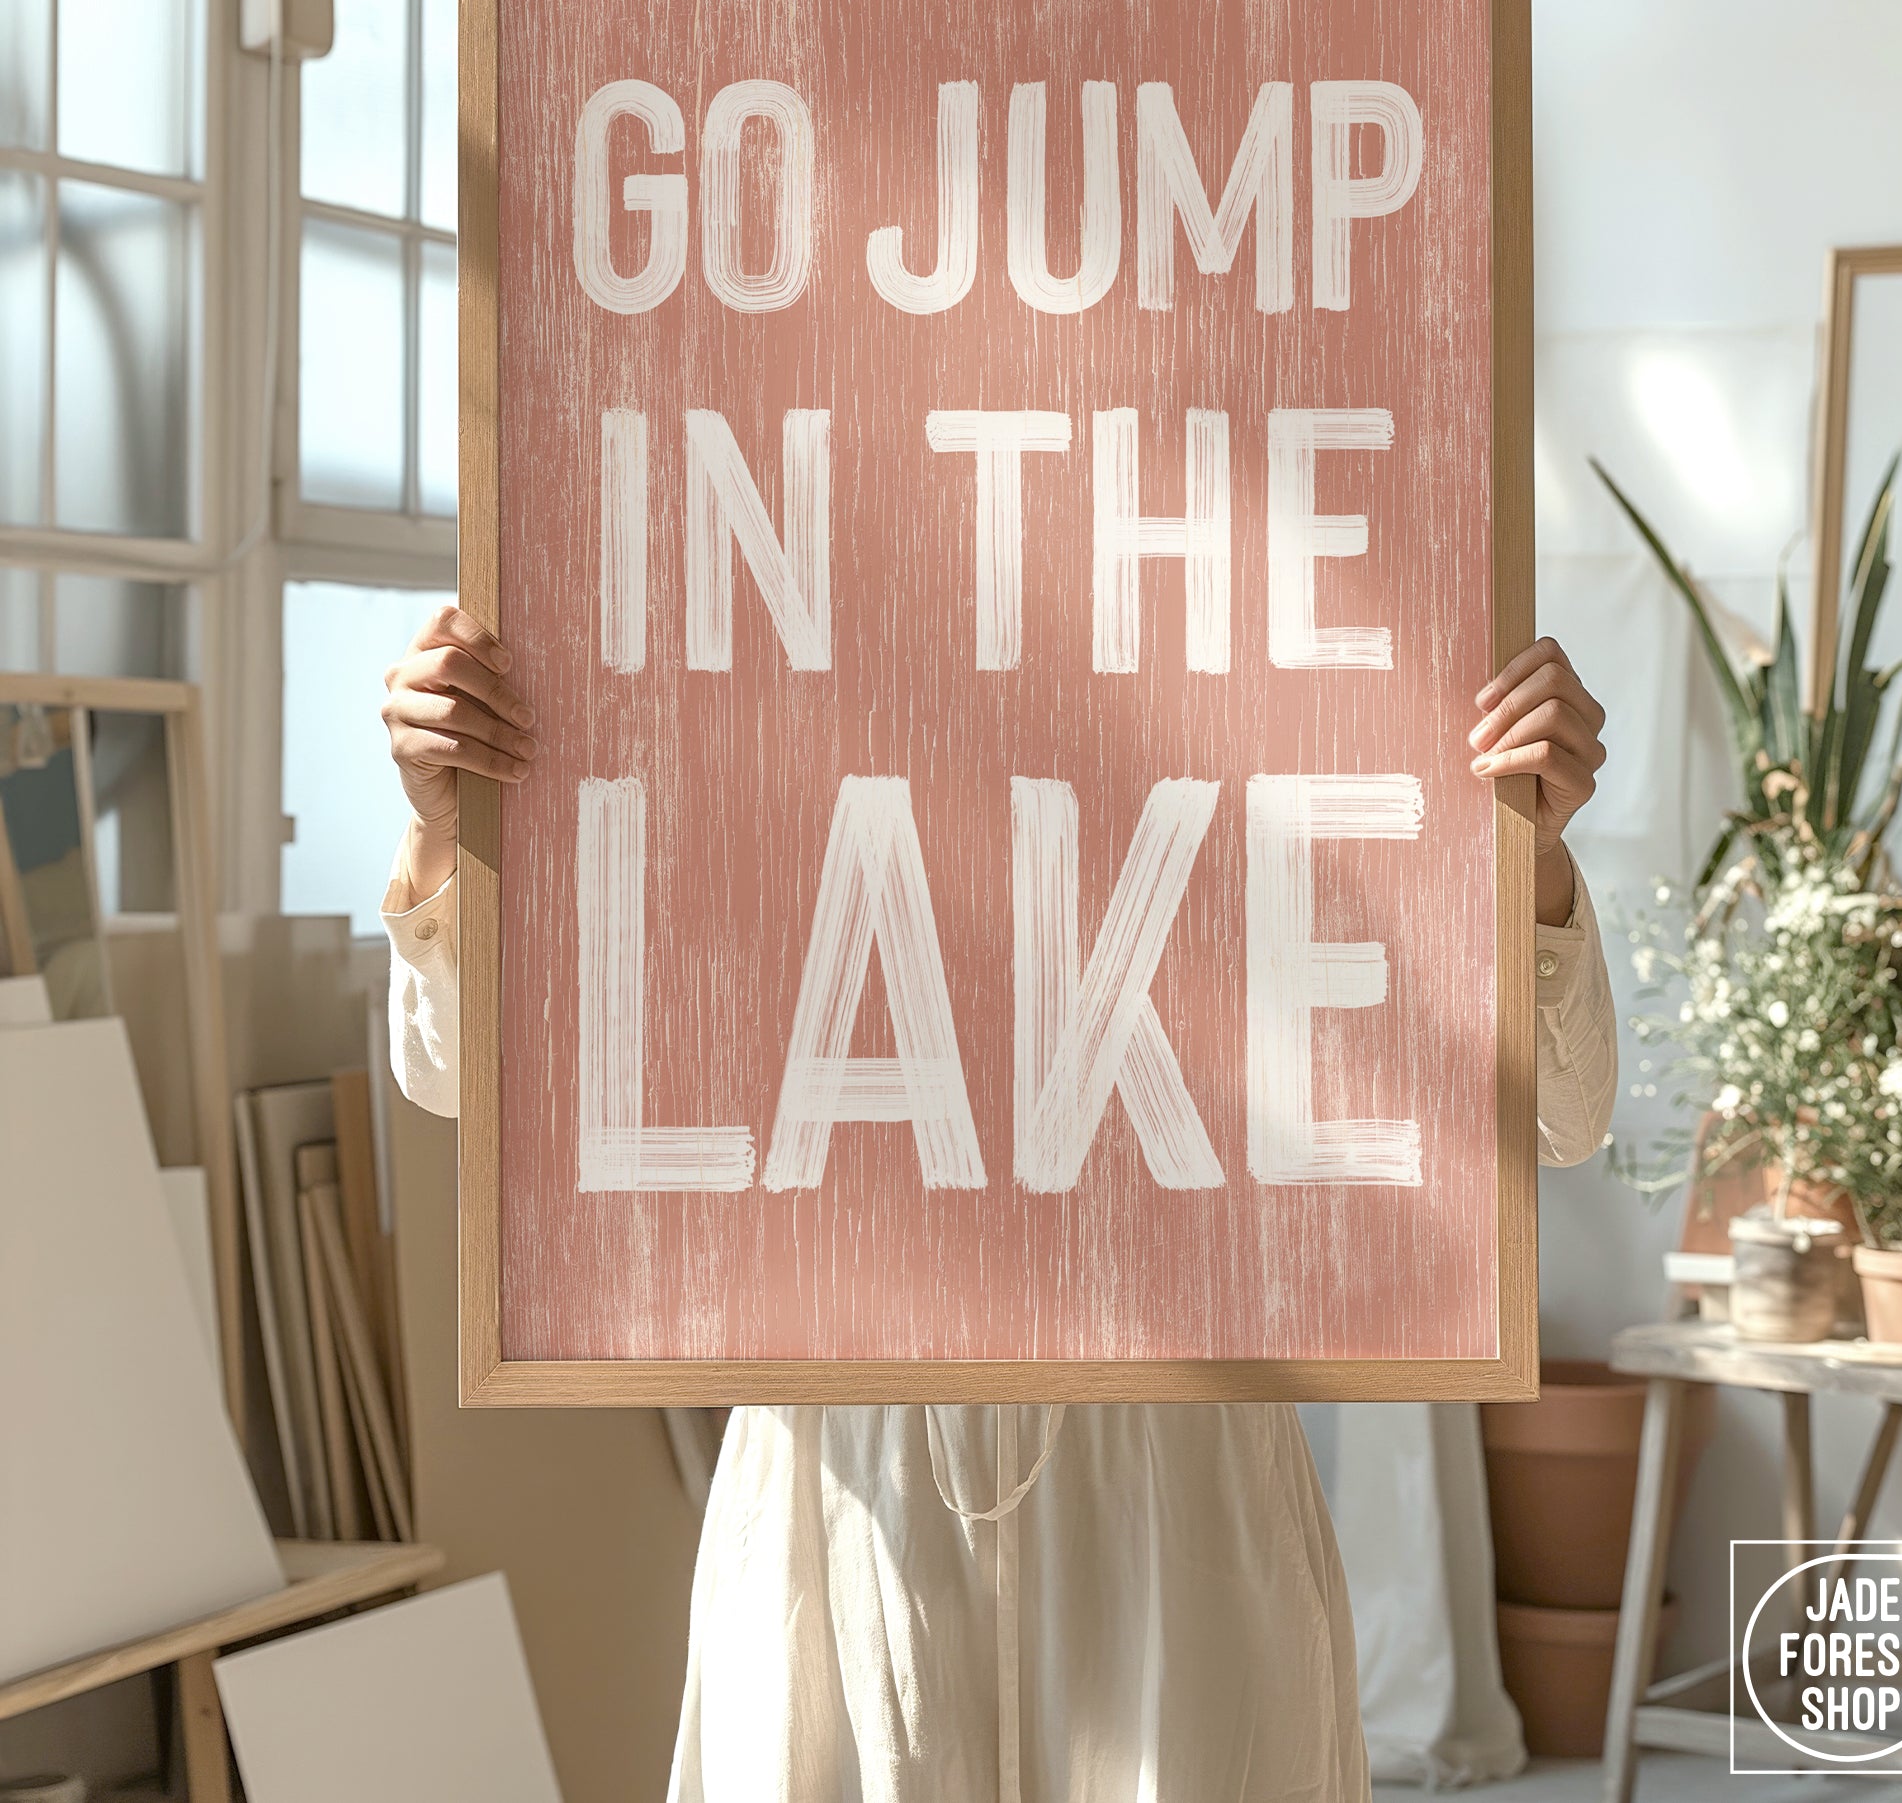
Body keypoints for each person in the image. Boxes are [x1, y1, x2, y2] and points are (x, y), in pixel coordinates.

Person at [380, 608, 1615, 1803]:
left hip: (1180, 1465)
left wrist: (1530, 854)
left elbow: (1556, 1109)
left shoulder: (1250, 674)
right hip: (847, 1473)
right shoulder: (761, 684)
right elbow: (461, 1084)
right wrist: (452, 836)